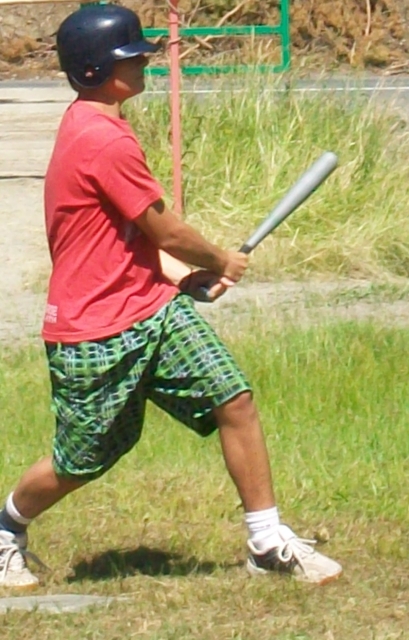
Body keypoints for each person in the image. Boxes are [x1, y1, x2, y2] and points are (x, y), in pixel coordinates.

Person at [0, 4, 342, 590]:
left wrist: (182, 280)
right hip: (93, 327)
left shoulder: (101, 125)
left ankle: (266, 540)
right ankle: (6, 528)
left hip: (152, 309)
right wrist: (219, 261)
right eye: (131, 57)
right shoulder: (100, 138)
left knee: (233, 398)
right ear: (94, 71)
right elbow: (167, 231)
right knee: (83, 458)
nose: (144, 64)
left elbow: (127, 236)